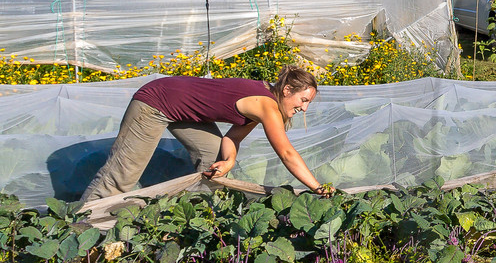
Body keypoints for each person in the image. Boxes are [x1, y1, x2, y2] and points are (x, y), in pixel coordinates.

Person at [79, 67, 335, 203]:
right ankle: (81, 225)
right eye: (303, 100)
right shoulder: (267, 105)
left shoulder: (264, 103)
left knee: (214, 157)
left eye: (308, 103)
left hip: (184, 111)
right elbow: (286, 153)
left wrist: (229, 161)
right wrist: (316, 187)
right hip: (155, 101)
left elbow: (231, 139)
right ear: (287, 90)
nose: (304, 108)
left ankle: (198, 211)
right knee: (124, 173)